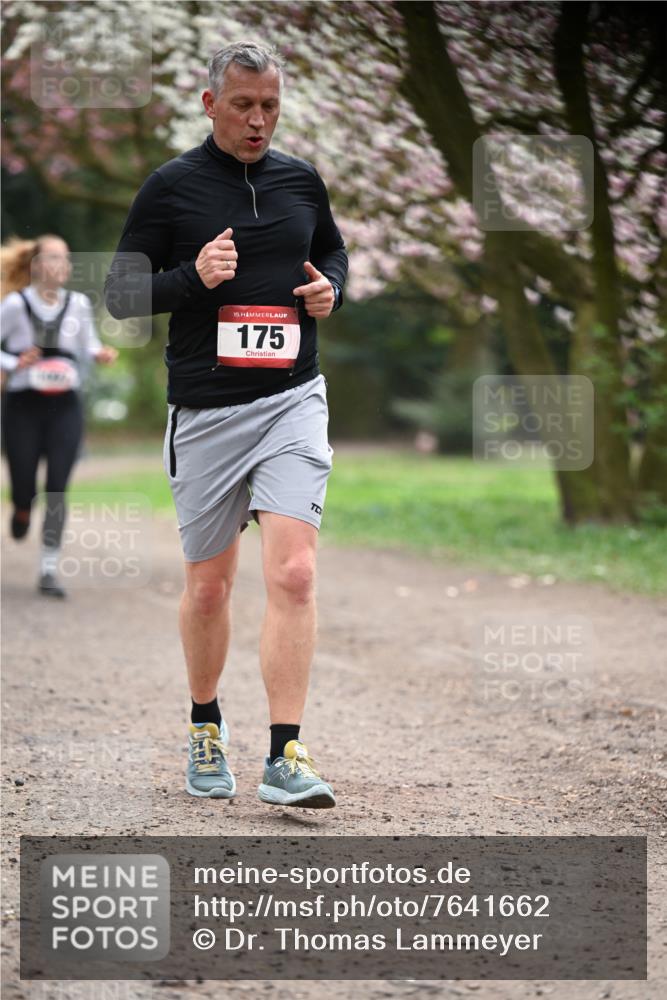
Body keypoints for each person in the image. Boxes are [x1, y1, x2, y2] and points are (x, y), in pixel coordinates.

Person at [105, 41, 347, 808]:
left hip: (291, 399)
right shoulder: (170, 188)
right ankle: (205, 724)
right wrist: (190, 279)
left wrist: (330, 290)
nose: (258, 120)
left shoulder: (301, 180)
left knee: (295, 572)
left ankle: (286, 754)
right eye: (243, 105)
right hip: (207, 411)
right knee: (209, 590)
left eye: (270, 105)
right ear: (210, 104)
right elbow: (119, 293)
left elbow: (332, 252)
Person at [1, 234, 118, 597]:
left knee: (56, 487)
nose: (63, 265)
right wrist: (13, 361)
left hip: (65, 406)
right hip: (22, 405)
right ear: (36, 265)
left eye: (66, 259)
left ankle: (49, 569)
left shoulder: (79, 304)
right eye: (54, 258)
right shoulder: (16, 306)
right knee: (24, 483)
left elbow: (88, 344)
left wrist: (100, 354)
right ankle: (21, 508)